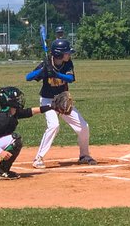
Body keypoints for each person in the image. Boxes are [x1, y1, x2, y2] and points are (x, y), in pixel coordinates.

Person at [25, 39, 97, 169]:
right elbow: (28, 77)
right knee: (54, 126)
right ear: (58, 54)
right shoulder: (46, 64)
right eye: (66, 52)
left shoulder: (67, 63)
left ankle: (84, 155)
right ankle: (38, 158)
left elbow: (71, 78)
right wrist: (42, 71)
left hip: (62, 101)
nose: (69, 54)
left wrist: (56, 73)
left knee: (83, 126)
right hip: (48, 101)